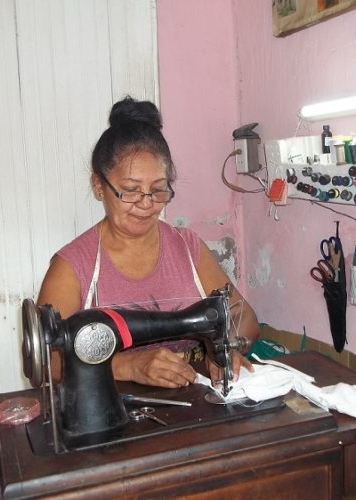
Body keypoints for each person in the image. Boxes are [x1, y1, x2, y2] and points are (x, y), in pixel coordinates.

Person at [38, 96, 259, 389]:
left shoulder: (188, 248)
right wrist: (126, 365)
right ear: (99, 186)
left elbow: (242, 315)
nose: (146, 204)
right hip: (110, 408)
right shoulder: (72, 266)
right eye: (130, 190)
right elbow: (46, 360)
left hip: (191, 398)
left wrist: (223, 350)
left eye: (158, 190)